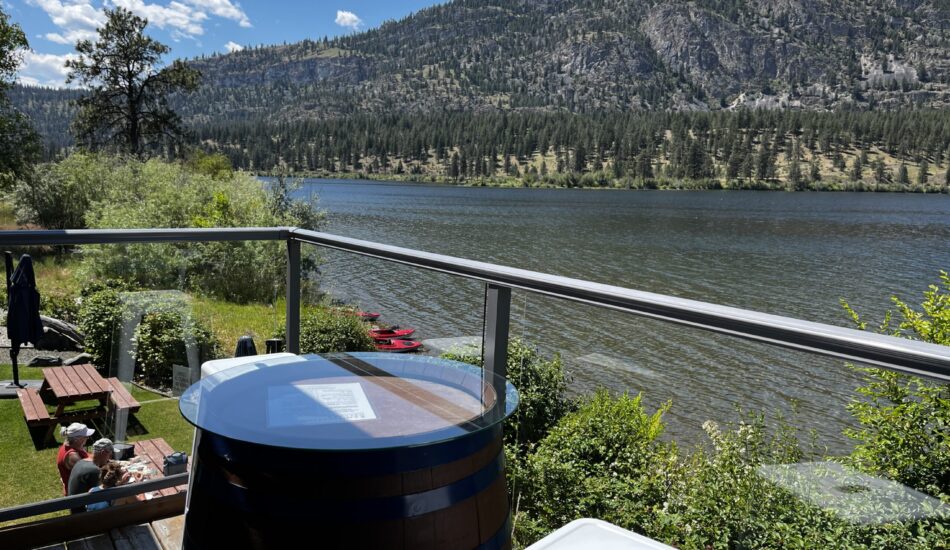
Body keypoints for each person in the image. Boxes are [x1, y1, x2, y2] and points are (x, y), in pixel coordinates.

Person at [67, 438, 114, 513]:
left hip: (74, 508)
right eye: (110, 454)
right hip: (83, 513)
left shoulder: (81, 462)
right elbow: (104, 490)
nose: (110, 457)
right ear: (103, 452)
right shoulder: (94, 470)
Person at [56, 422, 95, 495]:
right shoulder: (72, 456)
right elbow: (89, 473)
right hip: (79, 494)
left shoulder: (71, 444)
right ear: (78, 439)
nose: (88, 438)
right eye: (86, 436)